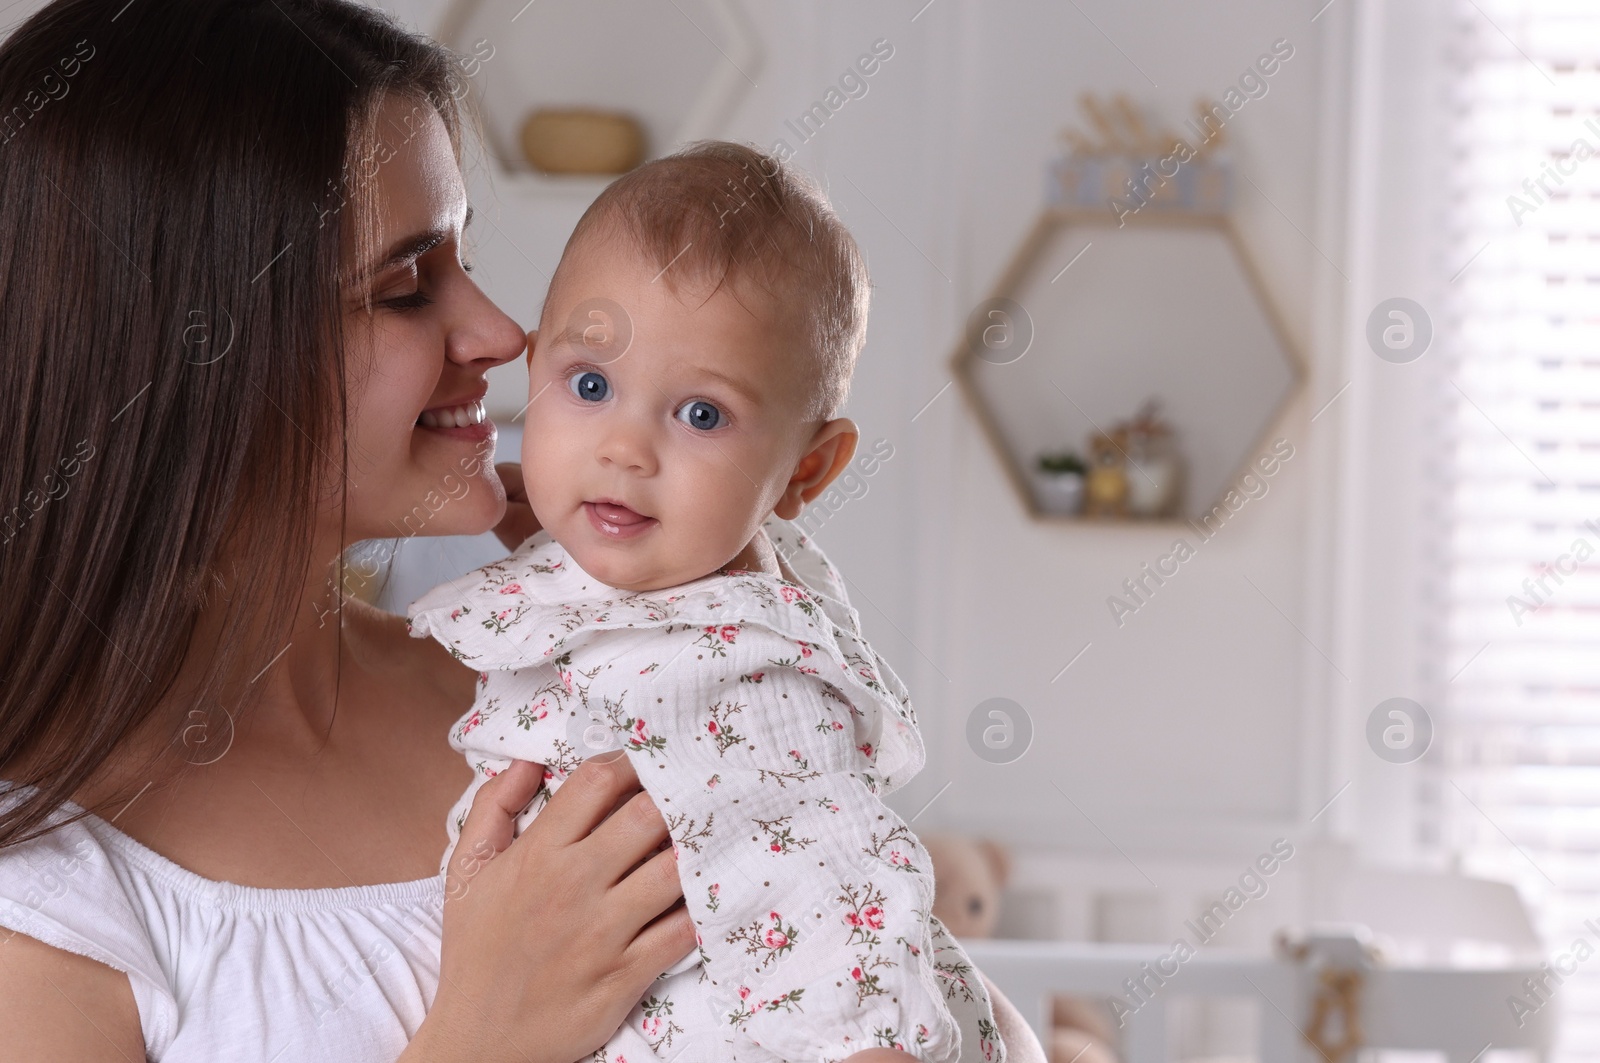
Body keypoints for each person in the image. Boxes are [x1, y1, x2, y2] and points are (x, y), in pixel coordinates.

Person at [0, 1, 1047, 1060]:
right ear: (196, 355)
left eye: (463, 255)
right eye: (407, 288)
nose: (502, 333)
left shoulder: (568, 696)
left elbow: (908, 988)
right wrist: (485, 1034)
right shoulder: (45, 889)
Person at [406, 142, 1004, 1063]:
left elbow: (837, 867)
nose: (625, 449)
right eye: (591, 386)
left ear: (805, 469)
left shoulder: (750, 675)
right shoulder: (647, 580)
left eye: (702, 416)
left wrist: (868, 1043)